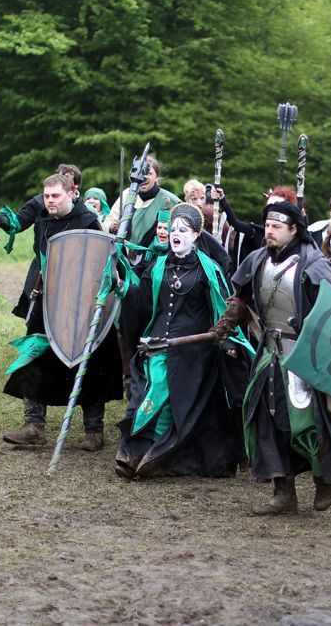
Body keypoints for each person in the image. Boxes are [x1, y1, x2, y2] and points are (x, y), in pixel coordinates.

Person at [210, 201, 331, 514]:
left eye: (276, 226)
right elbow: (243, 298)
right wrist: (228, 319)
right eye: (267, 225)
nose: (268, 231)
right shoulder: (258, 260)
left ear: (294, 229)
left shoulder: (314, 265)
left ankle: (325, 479)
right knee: (265, 421)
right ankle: (283, 492)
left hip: (305, 356)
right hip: (269, 352)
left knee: (308, 423)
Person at [114, 203, 253, 480]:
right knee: (146, 393)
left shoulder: (208, 270)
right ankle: (135, 452)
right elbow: (142, 302)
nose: (175, 234)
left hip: (193, 353)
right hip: (156, 346)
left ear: (196, 235)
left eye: (183, 230)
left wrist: (228, 343)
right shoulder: (157, 267)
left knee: (167, 399)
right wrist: (121, 285)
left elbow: (221, 310)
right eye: (173, 229)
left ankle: (157, 456)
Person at [0, 174, 123, 450]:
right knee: (35, 357)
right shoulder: (42, 217)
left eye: (55, 196)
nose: (49, 201)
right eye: (46, 196)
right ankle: (33, 426)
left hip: (82, 303)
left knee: (91, 363)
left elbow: (102, 260)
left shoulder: (87, 220)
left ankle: (94, 430)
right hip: (48, 299)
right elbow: (27, 235)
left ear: (70, 194)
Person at [0, 163, 84, 319]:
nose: (60, 183)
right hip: (42, 266)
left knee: (68, 315)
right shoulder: (40, 203)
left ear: (74, 188)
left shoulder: (84, 211)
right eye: (59, 178)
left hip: (72, 272)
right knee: (37, 314)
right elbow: (18, 222)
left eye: (66, 181)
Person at [103, 155, 180, 249]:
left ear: (157, 177)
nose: (144, 177)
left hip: (154, 254)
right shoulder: (127, 194)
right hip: (123, 252)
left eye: (149, 173)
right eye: (140, 173)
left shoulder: (170, 200)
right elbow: (108, 221)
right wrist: (112, 226)